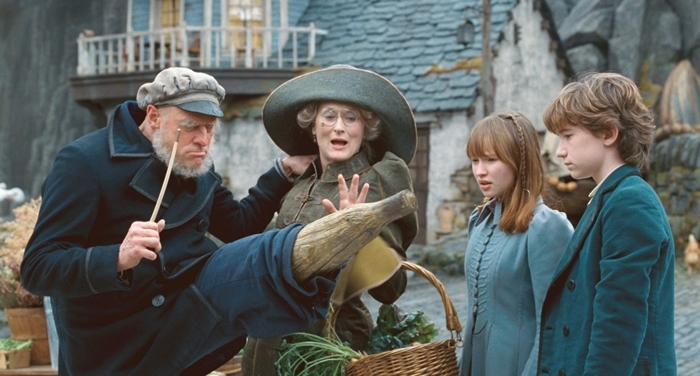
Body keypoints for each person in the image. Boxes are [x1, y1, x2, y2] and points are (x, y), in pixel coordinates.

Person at [19, 67, 415, 376]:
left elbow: (240, 227)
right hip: (114, 347)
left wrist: (281, 174)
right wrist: (116, 257)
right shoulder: (84, 163)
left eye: (210, 128)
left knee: (246, 260)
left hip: (181, 324)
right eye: (189, 126)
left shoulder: (196, 168)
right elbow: (37, 269)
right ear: (154, 116)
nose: (202, 140)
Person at [242, 65, 419, 375]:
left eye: (351, 118)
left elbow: (392, 290)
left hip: (328, 348)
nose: (339, 127)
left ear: (366, 129)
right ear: (313, 127)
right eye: (329, 116)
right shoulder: (300, 184)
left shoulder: (374, 181)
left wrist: (358, 231)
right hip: (269, 344)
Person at [537, 72, 676, 375]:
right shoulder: (610, 197)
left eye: (568, 136)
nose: (560, 151)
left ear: (608, 133)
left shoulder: (630, 202)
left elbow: (619, 322)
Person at [459, 112, 573, 376]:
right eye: (475, 160)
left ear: (519, 162)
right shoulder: (479, 220)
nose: (479, 171)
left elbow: (557, 324)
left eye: (491, 159)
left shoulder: (546, 227)